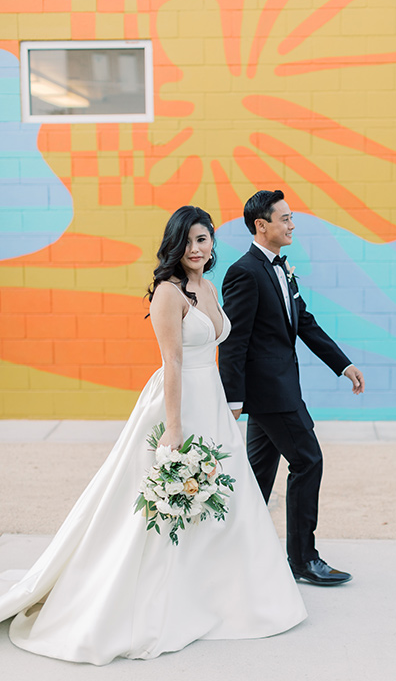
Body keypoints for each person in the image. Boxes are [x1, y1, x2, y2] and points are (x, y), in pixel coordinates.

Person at [0, 206, 306, 665]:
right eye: (187, 242)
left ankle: (224, 597)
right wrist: (176, 430)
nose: (196, 249)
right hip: (178, 405)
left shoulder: (207, 286)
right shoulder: (168, 293)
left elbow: (222, 344)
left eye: (203, 240)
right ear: (174, 246)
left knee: (226, 501)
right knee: (162, 509)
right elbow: (174, 364)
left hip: (214, 406)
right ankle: (155, 600)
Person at [219, 189, 365, 587]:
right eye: (284, 219)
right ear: (261, 225)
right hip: (271, 395)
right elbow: (233, 343)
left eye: (291, 217)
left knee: (256, 476)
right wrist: (233, 401)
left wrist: (343, 364)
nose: (292, 225)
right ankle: (302, 559)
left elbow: (304, 322)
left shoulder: (282, 269)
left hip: (279, 390)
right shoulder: (244, 272)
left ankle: (230, 553)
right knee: (308, 461)